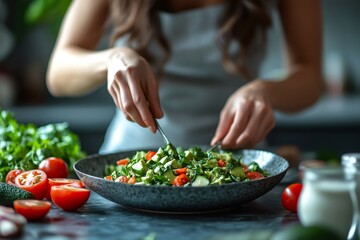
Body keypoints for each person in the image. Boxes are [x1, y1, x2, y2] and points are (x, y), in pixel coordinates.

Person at [46, 0, 323, 154]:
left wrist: (265, 91)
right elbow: (59, 72)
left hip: (240, 166)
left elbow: (310, 78)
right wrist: (111, 59)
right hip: (128, 165)